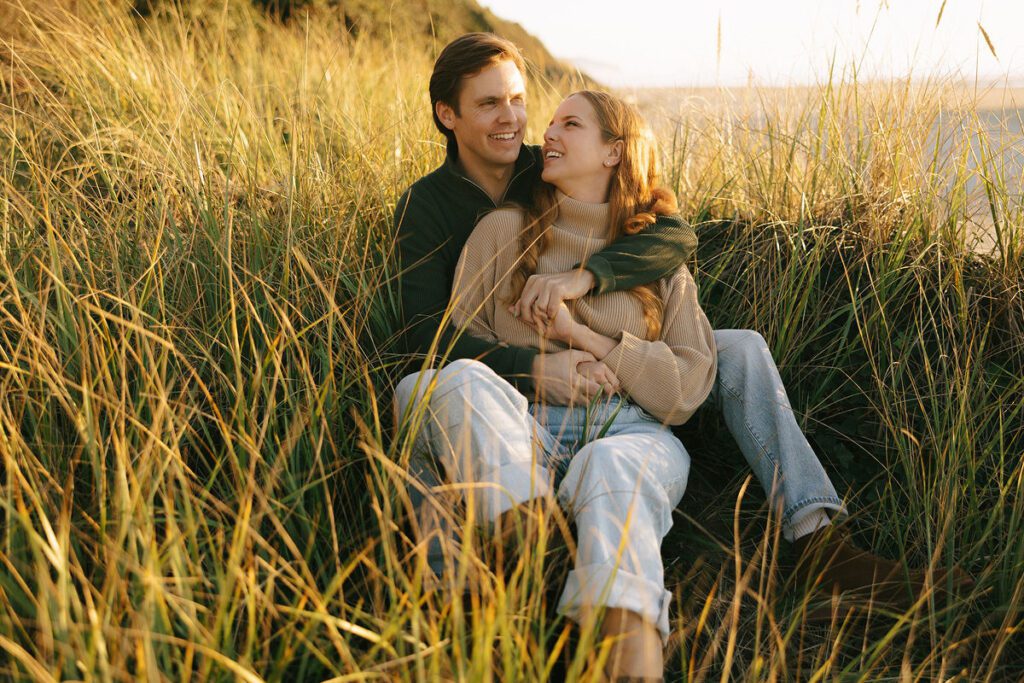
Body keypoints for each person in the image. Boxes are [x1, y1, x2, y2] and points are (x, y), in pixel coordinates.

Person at [392, 32, 965, 663]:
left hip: (618, 384)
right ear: (450, 116)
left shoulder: (541, 161)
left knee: (740, 349)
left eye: (523, 103)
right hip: (524, 383)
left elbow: (669, 236)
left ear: (610, 151)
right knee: (429, 389)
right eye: (490, 105)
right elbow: (431, 336)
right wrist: (536, 366)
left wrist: (587, 289)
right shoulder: (437, 206)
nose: (519, 122)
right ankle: (515, 543)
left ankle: (815, 539)